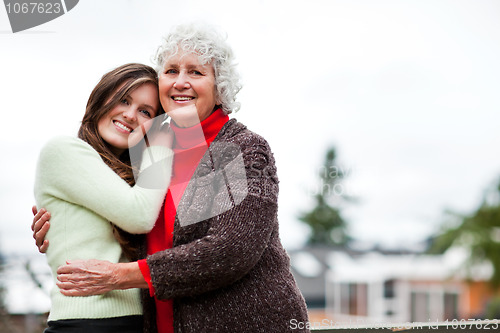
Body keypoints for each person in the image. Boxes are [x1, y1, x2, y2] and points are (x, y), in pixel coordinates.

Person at [33, 23, 310, 333]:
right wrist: (61, 225)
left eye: (196, 72)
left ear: (220, 88)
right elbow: (117, 214)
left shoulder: (241, 149)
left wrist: (121, 275)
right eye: (171, 71)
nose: (181, 82)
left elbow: (231, 249)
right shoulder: (149, 153)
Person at [33, 63, 174, 333]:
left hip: (137, 322)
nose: (131, 115)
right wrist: (162, 147)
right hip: (86, 324)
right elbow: (140, 216)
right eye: (124, 100)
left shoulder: (140, 179)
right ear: (102, 98)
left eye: (145, 111)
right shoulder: (63, 151)